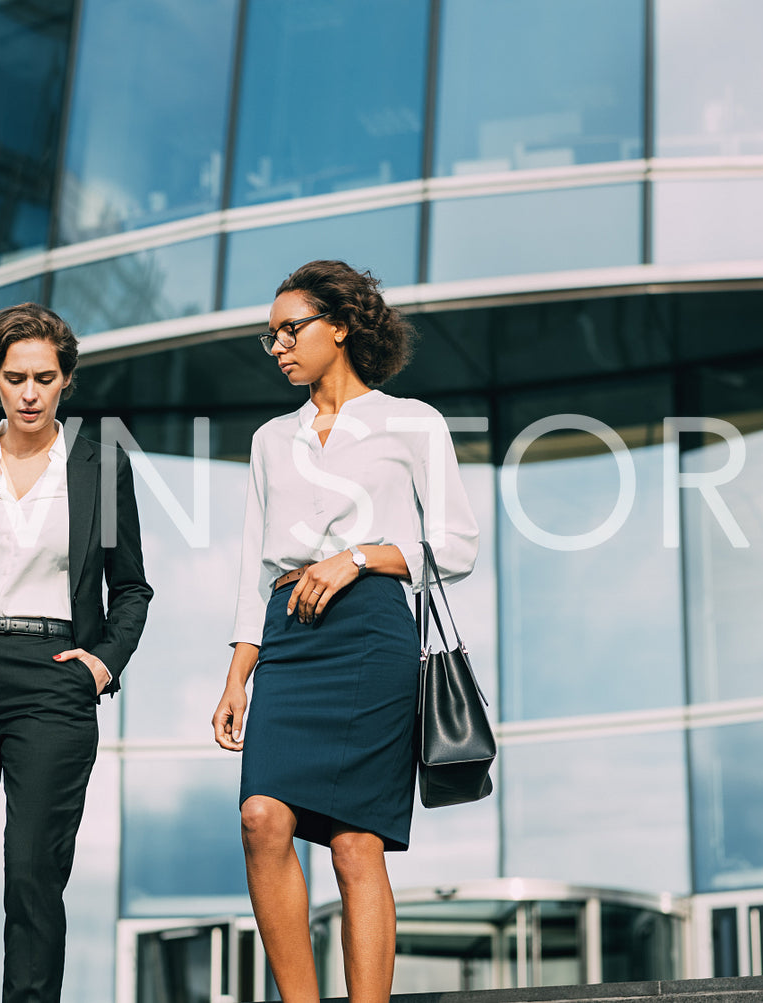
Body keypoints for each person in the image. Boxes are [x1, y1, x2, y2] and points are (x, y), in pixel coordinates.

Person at [212, 260, 479, 1001]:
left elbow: (456, 546)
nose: (278, 348)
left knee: (356, 844)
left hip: (370, 634)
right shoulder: (271, 438)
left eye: (289, 330)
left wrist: (357, 558)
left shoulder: (411, 421)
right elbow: (249, 567)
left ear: (340, 326)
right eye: (268, 337)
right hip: (288, 638)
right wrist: (238, 676)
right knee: (261, 817)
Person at [0, 303, 152, 1003]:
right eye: (15, 377)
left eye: (45, 376)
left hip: (51, 678)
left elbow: (130, 587)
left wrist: (103, 662)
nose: (30, 392)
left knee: (33, 874)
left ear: (65, 380)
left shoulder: (100, 468)